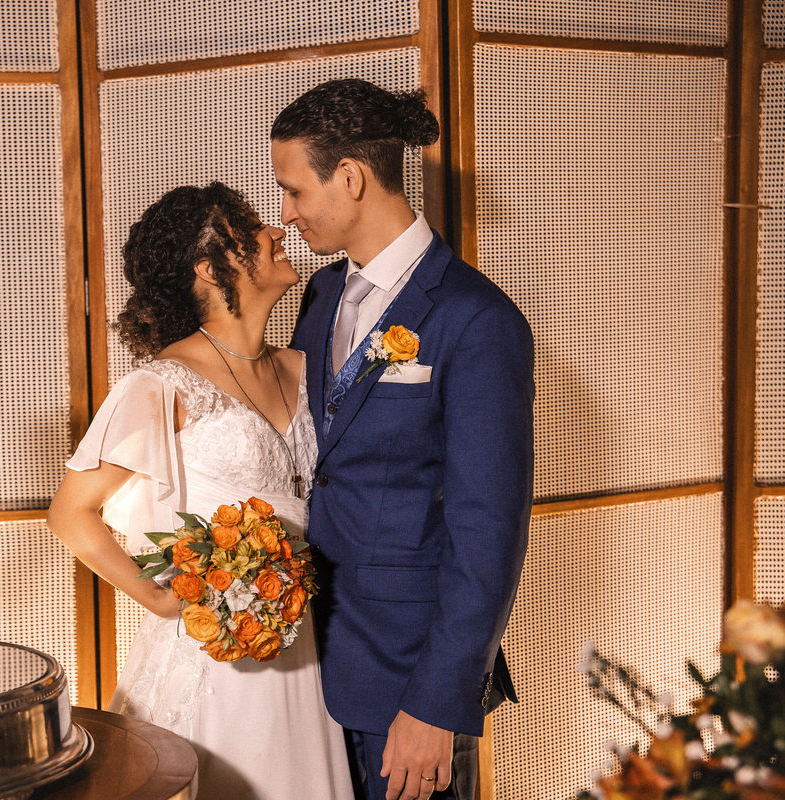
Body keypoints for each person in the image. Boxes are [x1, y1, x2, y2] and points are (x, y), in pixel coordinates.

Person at [47, 182, 356, 799]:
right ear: (210, 270)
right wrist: (161, 600)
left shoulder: (303, 368)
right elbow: (70, 512)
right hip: (215, 657)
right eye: (250, 228)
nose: (276, 231)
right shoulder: (164, 384)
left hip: (305, 647)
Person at [271, 79, 534, 800]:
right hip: (307, 663)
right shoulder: (322, 295)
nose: (286, 213)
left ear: (350, 177)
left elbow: (489, 529)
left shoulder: (477, 320)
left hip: (407, 679)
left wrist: (436, 702)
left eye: (295, 191)